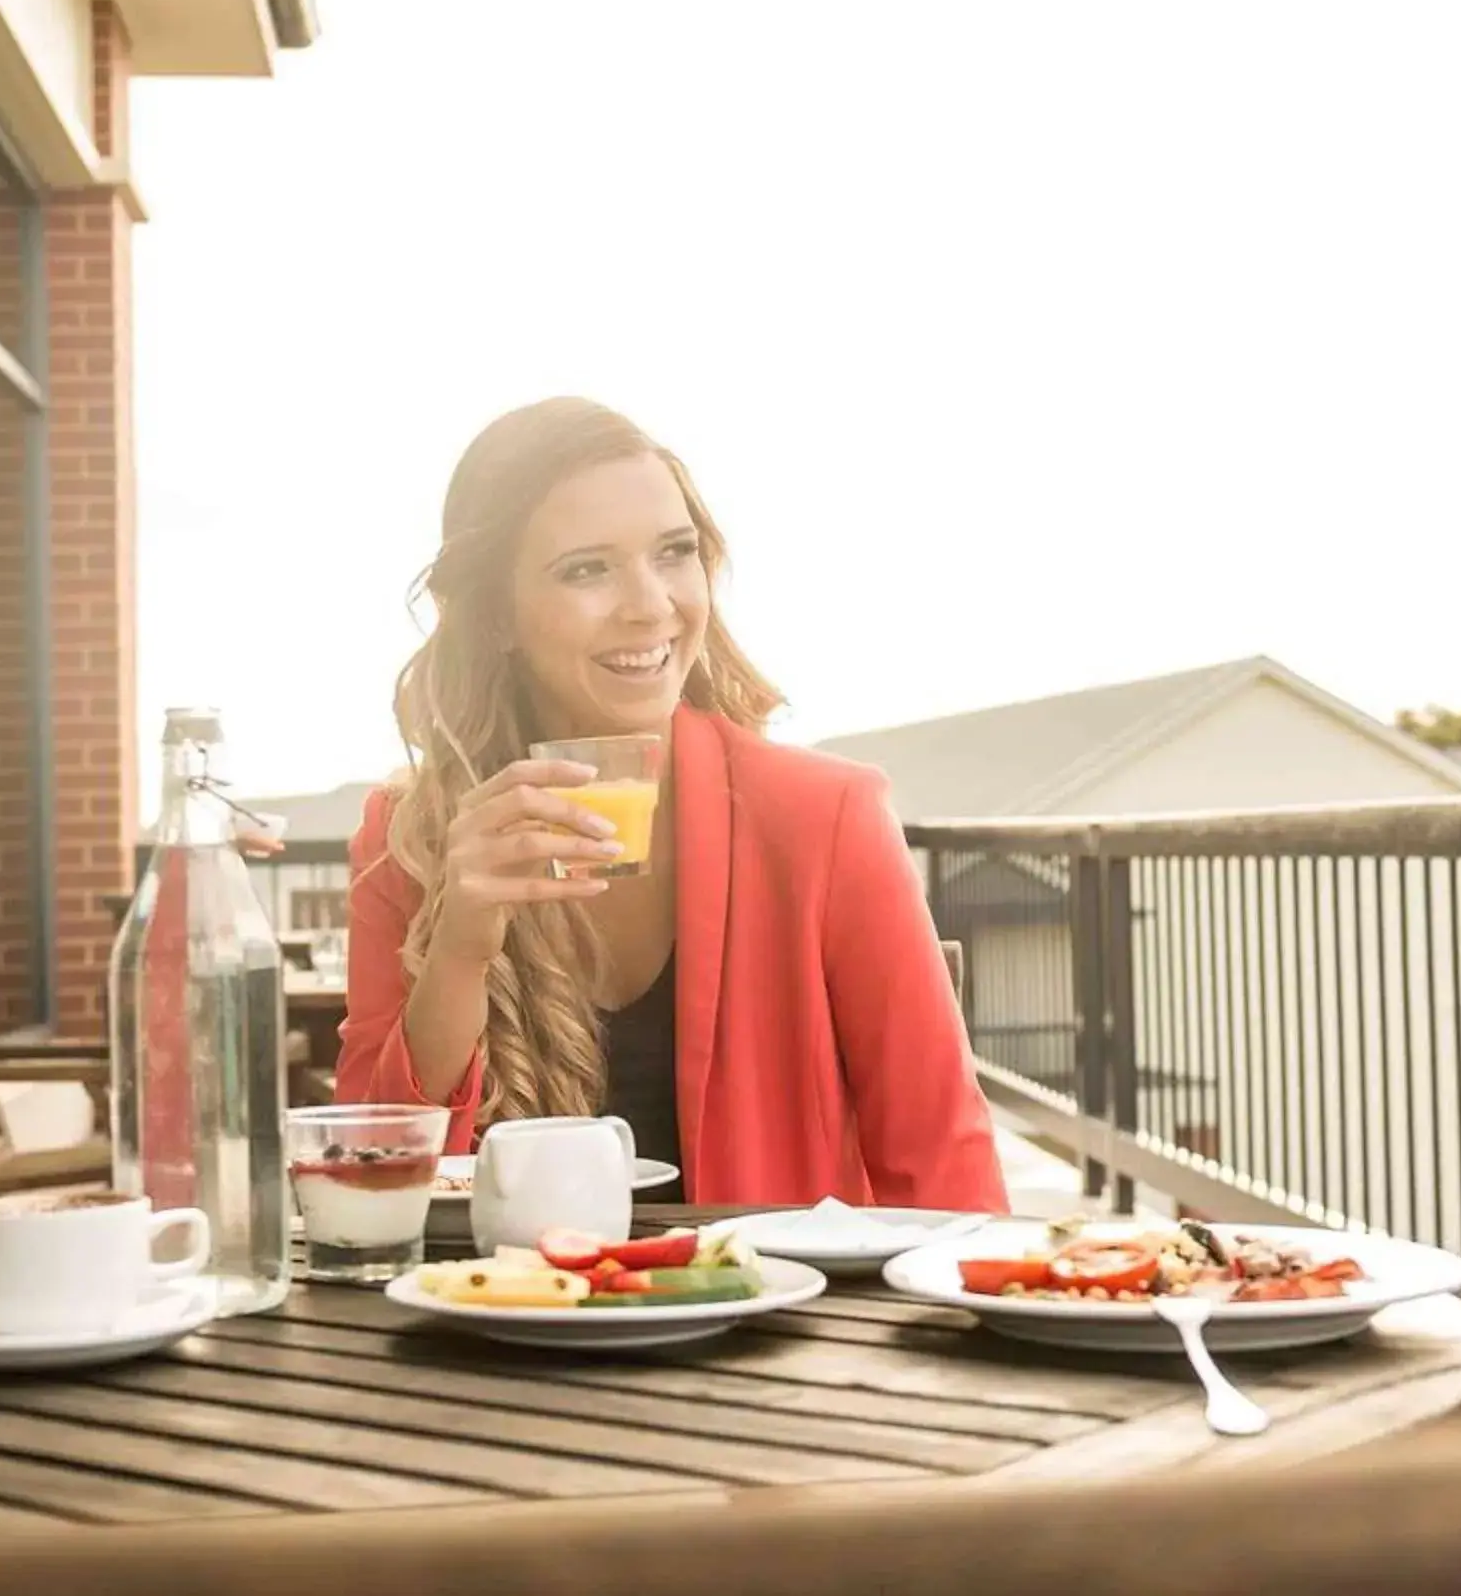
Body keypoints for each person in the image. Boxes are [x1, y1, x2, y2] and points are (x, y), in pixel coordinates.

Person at [334, 396, 1009, 1214]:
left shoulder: (825, 816)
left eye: (674, 553)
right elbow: (373, 1187)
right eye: (587, 568)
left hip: (780, 1322)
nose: (650, 604)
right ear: (495, 615)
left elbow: (944, 1170)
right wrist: (458, 954)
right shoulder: (410, 835)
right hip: (504, 1317)